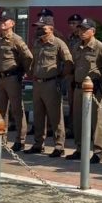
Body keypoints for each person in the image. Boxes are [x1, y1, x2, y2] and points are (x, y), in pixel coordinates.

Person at [68, 17, 102, 163]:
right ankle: (80, 148)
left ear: (93, 31)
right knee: (78, 119)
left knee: (96, 120)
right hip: (78, 88)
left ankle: (98, 151)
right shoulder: (77, 47)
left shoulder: (100, 47)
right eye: (80, 29)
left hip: (94, 90)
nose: (82, 32)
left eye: (85, 29)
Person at [28, 14, 72, 157]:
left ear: (51, 29)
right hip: (38, 83)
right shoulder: (37, 43)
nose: (39, 30)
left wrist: (60, 76)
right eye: (38, 27)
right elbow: (33, 61)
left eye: (43, 28)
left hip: (51, 83)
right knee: (38, 115)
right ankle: (38, 144)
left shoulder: (58, 43)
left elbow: (68, 62)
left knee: (55, 116)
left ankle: (59, 146)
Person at [0, 10, 33, 152]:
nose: (2, 23)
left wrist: (23, 71)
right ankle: (1, 140)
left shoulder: (16, 39)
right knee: (1, 111)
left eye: (5, 20)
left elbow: (28, 57)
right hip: (0, 78)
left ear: (12, 23)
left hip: (12, 78)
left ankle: (20, 140)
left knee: (17, 110)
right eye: (0, 21)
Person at [65, 13, 83, 140]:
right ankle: (72, 128)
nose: (72, 26)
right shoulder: (69, 38)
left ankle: (84, 129)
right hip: (71, 74)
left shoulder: (82, 38)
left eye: (75, 23)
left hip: (81, 74)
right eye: (70, 23)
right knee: (71, 103)